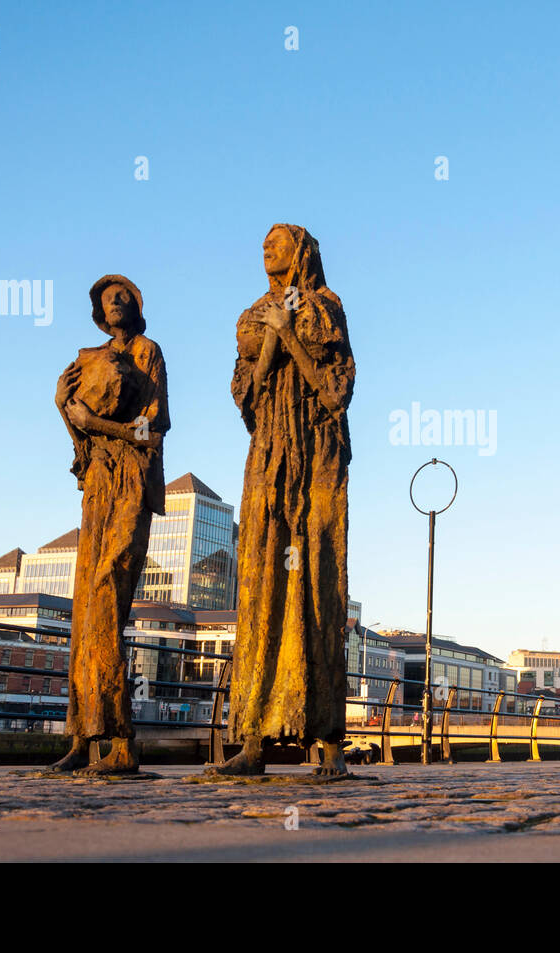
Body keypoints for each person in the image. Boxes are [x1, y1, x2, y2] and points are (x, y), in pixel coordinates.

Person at [212, 225, 355, 777]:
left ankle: (330, 742)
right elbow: (246, 395)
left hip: (316, 458)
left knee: (319, 582)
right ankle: (254, 740)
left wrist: (290, 335)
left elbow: (335, 392)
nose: (265, 247)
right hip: (269, 456)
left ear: (302, 252)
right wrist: (273, 335)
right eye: (262, 242)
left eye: (277, 241)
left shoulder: (326, 307)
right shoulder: (256, 314)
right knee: (261, 583)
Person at [50, 275, 170, 774]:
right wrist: (64, 406)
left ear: (136, 306)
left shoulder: (148, 353)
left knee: (107, 594)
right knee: (86, 603)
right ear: (99, 311)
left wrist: (94, 422)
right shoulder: (90, 359)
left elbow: (152, 428)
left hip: (132, 483)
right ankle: (84, 736)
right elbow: (78, 428)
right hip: (100, 479)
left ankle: (120, 739)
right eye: (106, 297)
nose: (115, 301)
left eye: (123, 295)